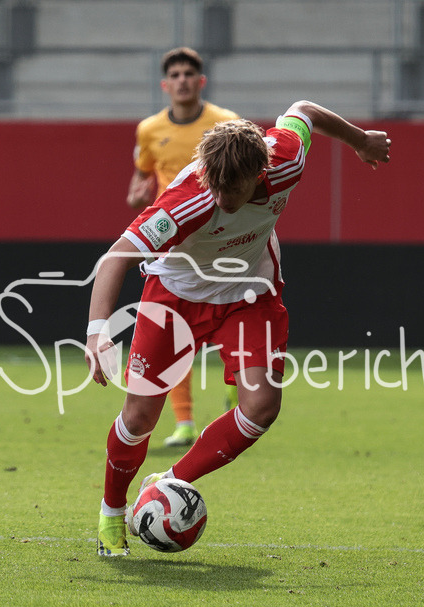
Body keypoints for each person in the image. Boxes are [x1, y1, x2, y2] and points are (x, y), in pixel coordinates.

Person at [88, 100, 392, 556]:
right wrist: (97, 332)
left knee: (262, 406)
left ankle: (170, 482)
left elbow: (304, 110)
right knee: (139, 417)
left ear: (260, 172)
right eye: (218, 184)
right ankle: (112, 511)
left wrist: (359, 140)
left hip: (249, 294)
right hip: (176, 297)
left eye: (235, 187)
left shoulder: (285, 159)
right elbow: (116, 257)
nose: (224, 197)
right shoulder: (186, 201)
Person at [126, 47, 240, 448]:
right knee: (175, 331)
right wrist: (139, 196)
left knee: (229, 311)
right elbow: (141, 178)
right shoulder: (149, 130)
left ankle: (235, 382)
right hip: (173, 239)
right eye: (174, 74)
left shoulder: (225, 123)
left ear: (201, 81)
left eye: (189, 73)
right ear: (165, 84)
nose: (182, 80)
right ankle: (185, 422)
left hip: (221, 236)